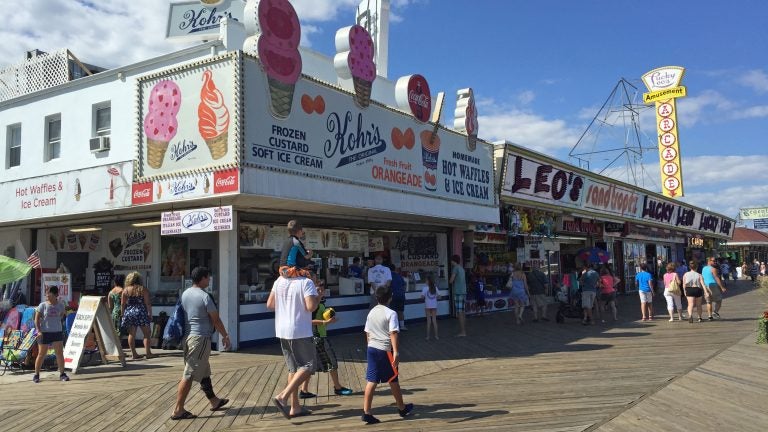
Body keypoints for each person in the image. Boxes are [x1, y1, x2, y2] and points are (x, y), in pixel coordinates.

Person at [172, 267, 230, 420]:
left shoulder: (185, 294)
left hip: (188, 338)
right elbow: (215, 320)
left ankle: (214, 401)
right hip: (200, 339)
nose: (209, 280)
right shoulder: (205, 296)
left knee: (204, 371)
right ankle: (178, 410)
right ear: (203, 278)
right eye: (208, 277)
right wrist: (225, 336)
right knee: (189, 374)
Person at [267, 271, 319, 419]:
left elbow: (270, 304)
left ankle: (295, 407)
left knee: (294, 369)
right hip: (300, 330)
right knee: (308, 366)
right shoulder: (306, 282)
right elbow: (310, 307)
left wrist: (287, 303)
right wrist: (318, 296)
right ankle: (283, 396)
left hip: (282, 329)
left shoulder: (279, 280)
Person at [361, 286, 414, 424]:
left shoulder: (371, 312)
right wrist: (395, 351)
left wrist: (369, 345)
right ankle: (401, 408)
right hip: (385, 349)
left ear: (376, 297)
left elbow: (367, 332)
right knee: (393, 378)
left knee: (371, 380)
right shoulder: (391, 313)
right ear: (390, 297)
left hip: (372, 348)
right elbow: (393, 333)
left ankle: (366, 412)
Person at [299, 280, 353, 398]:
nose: (320, 291)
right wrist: (325, 322)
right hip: (318, 337)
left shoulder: (319, 302)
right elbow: (308, 321)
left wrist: (328, 320)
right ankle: (338, 388)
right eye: (317, 289)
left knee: (311, 365)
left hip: (317, 336)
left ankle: (303, 390)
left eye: (321, 289)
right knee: (331, 361)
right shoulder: (312, 304)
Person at [32, 286, 68, 383]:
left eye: (49, 294)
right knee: (41, 354)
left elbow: (62, 315)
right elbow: (36, 319)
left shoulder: (60, 305)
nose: (47, 296)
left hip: (57, 332)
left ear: (56, 295)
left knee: (59, 353)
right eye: (46, 294)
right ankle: (36, 375)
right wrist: (38, 330)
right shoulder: (42, 305)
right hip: (45, 332)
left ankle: (62, 374)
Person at [121, 271, 154, 360]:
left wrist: (122, 314)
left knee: (132, 334)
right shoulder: (143, 289)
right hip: (141, 312)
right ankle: (148, 353)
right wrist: (150, 313)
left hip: (130, 312)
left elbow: (123, 304)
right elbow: (148, 303)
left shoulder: (126, 290)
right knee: (147, 333)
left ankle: (134, 354)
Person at [449, 255, 467, 337]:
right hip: (463, 292)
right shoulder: (461, 268)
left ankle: (463, 332)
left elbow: (451, 280)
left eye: (451, 260)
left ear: (453, 261)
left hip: (458, 292)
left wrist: (450, 280)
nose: (450, 262)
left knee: (459, 313)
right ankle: (463, 330)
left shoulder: (455, 268)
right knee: (462, 312)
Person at [388, 263, 408, 331]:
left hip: (393, 296)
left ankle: (394, 328)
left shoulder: (388, 276)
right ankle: (402, 326)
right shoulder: (399, 275)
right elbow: (404, 285)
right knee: (400, 311)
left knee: (392, 312)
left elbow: (387, 286)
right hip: (401, 295)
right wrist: (402, 292)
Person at [421, 275, 439, 340]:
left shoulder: (425, 288)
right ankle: (436, 336)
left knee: (428, 321)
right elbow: (440, 296)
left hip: (427, 306)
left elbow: (422, 297)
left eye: (426, 280)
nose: (425, 281)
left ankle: (428, 336)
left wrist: (423, 296)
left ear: (428, 281)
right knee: (434, 320)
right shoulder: (435, 287)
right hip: (434, 305)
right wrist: (435, 297)